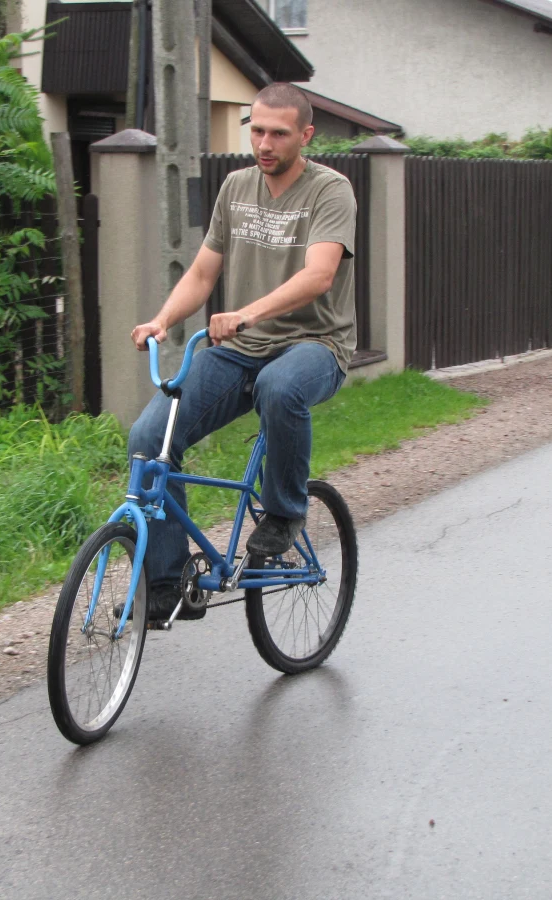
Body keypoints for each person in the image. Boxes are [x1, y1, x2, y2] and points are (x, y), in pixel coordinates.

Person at [127, 82, 357, 622]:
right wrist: (163, 320)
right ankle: (168, 585)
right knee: (149, 439)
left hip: (315, 345)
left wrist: (249, 312)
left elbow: (320, 276)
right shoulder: (236, 187)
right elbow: (202, 273)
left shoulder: (331, 191)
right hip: (240, 350)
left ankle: (284, 512)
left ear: (306, 135)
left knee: (280, 387)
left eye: (279, 133)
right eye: (257, 131)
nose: (264, 144)